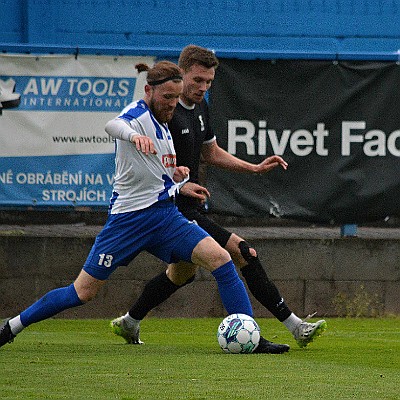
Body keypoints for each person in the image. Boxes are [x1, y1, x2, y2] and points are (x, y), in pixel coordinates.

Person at [0, 60, 287, 353]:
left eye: (176, 98)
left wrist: (178, 181)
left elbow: (155, 177)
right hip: (128, 222)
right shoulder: (138, 115)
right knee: (82, 292)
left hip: (165, 217)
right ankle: (12, 327)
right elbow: (113, 125)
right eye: (167, 97)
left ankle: (250, 337)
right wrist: (134, 136)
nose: (172, 104)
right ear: (149, 91)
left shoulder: (164, 128)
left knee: (221, 258)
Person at [109, 45, 327, 349]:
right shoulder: (163, 111)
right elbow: (142, 155)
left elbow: (209, 152)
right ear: (181, 73)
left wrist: (253, 167)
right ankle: (292, 327)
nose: (202, 87)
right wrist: (178, 185)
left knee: (181, 273)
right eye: (197, 80)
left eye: (209, 82)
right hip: (170, 207)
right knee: (242, 252)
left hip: (189, 207)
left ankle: (130, 321)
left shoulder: (200, 109)